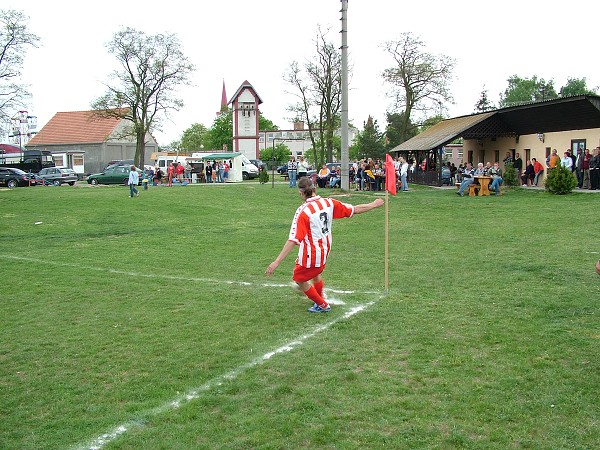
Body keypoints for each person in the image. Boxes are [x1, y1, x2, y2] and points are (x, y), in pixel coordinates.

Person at [265, 176, 384, 313]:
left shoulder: (303, 211)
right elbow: (354, 209)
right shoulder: (328, 203)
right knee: (315, 274)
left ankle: (322, 304)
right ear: (314, 189)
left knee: (299, 280)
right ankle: (320, 295)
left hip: (311, 253)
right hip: (324, 251)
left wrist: (276, 262)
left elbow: (293, 239)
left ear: (301, 193)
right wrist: (374, 204)